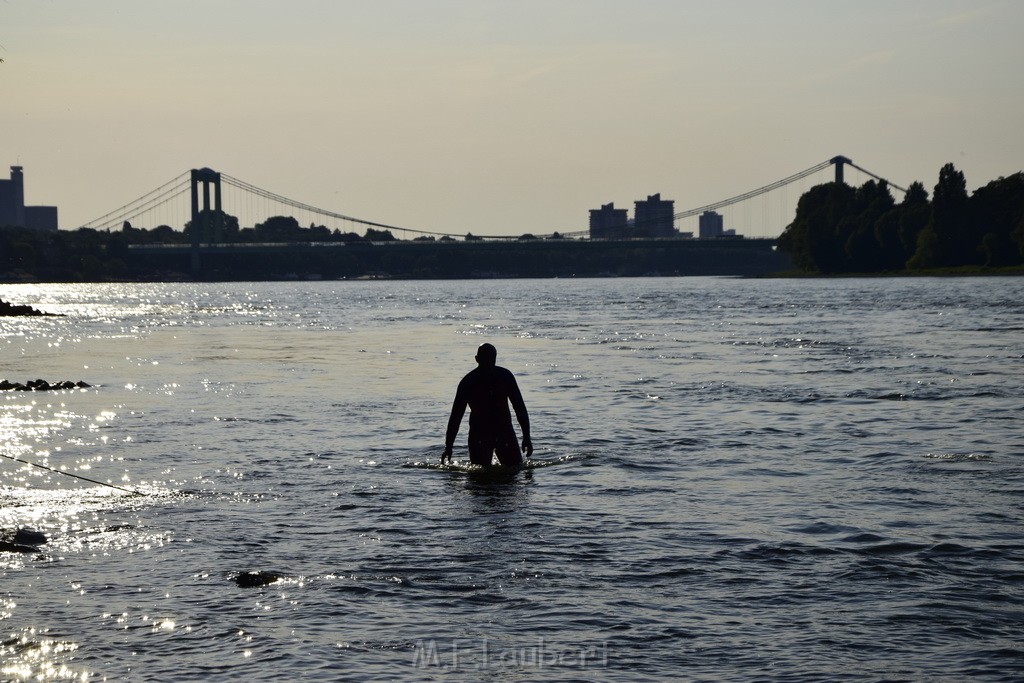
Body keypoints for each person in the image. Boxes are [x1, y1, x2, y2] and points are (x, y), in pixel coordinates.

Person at [442, 343, 533, 468]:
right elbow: (456, 416)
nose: (489, 364)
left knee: (510, 472)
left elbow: (520, 408)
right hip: (480, 434)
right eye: (487, 360)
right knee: (484, 478)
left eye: (491, 360)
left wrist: (527, 437)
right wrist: (449, 446)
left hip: (503, 432)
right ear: (477, 360)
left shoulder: (504, 377)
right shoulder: (469, 382)